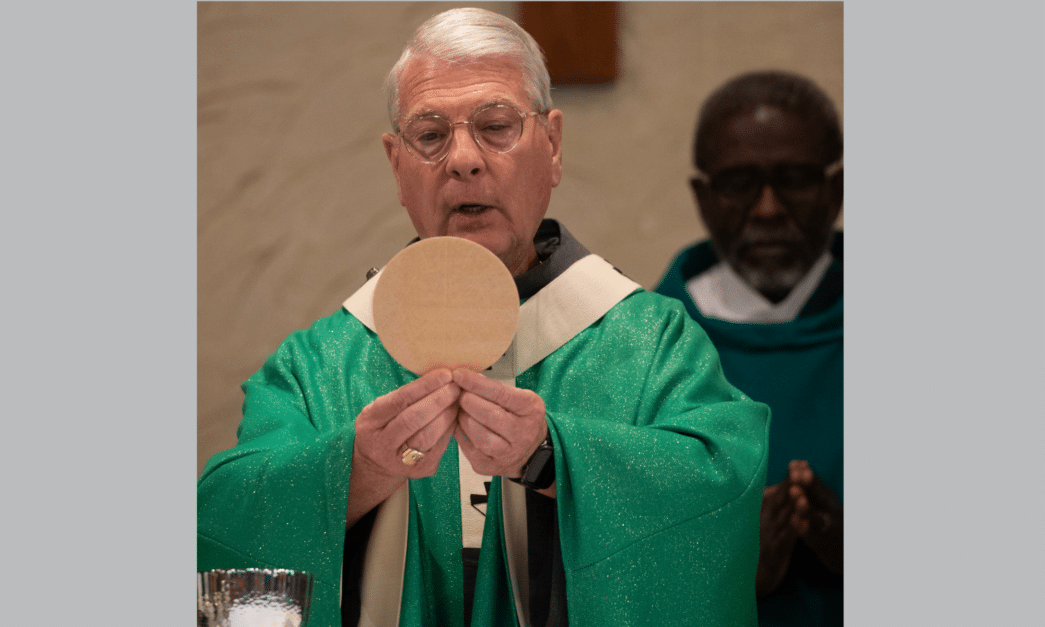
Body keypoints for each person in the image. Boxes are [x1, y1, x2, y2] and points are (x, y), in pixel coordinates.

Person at [198, 9, 770, 627]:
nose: (463, 160)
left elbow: (722, 490)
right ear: (397, 167)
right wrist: (354, 470)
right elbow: (225, 523)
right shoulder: (322, 364)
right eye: (431, 135)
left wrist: (555, 457)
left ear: (551, 147)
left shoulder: (651, 345)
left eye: (496, 126)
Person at [655, 70, 844, 627]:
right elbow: (602, 556)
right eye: (740, 183)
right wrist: (725, 568)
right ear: (702, 197)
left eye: (793, 179)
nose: (767, 209)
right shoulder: (644, 348)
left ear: (837, 189)